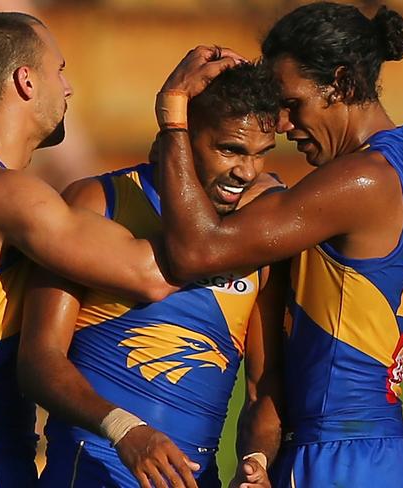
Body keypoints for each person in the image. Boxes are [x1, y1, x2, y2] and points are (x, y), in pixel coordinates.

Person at [0, 12, 239, 487]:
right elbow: (155, 271)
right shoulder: (1, 193)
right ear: (25, 81)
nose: (68, 88)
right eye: (60, 70)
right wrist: (177, 113)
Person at [154, 3, 403, 488]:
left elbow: (196, 252)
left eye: (293, 102)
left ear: (343, 85)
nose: (282, 124)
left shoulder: (363, 178)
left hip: (339, 454)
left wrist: (174, 116)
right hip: (360, 449)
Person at [19, 62, 285, 488]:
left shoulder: (256, 229)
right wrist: (124, 430)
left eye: (260, 154)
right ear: (180, 134)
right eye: (230, 149)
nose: (247, 172)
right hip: (92, 471)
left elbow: (263, 383)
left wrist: (257, 460)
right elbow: (38, 360)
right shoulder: (101, 201)